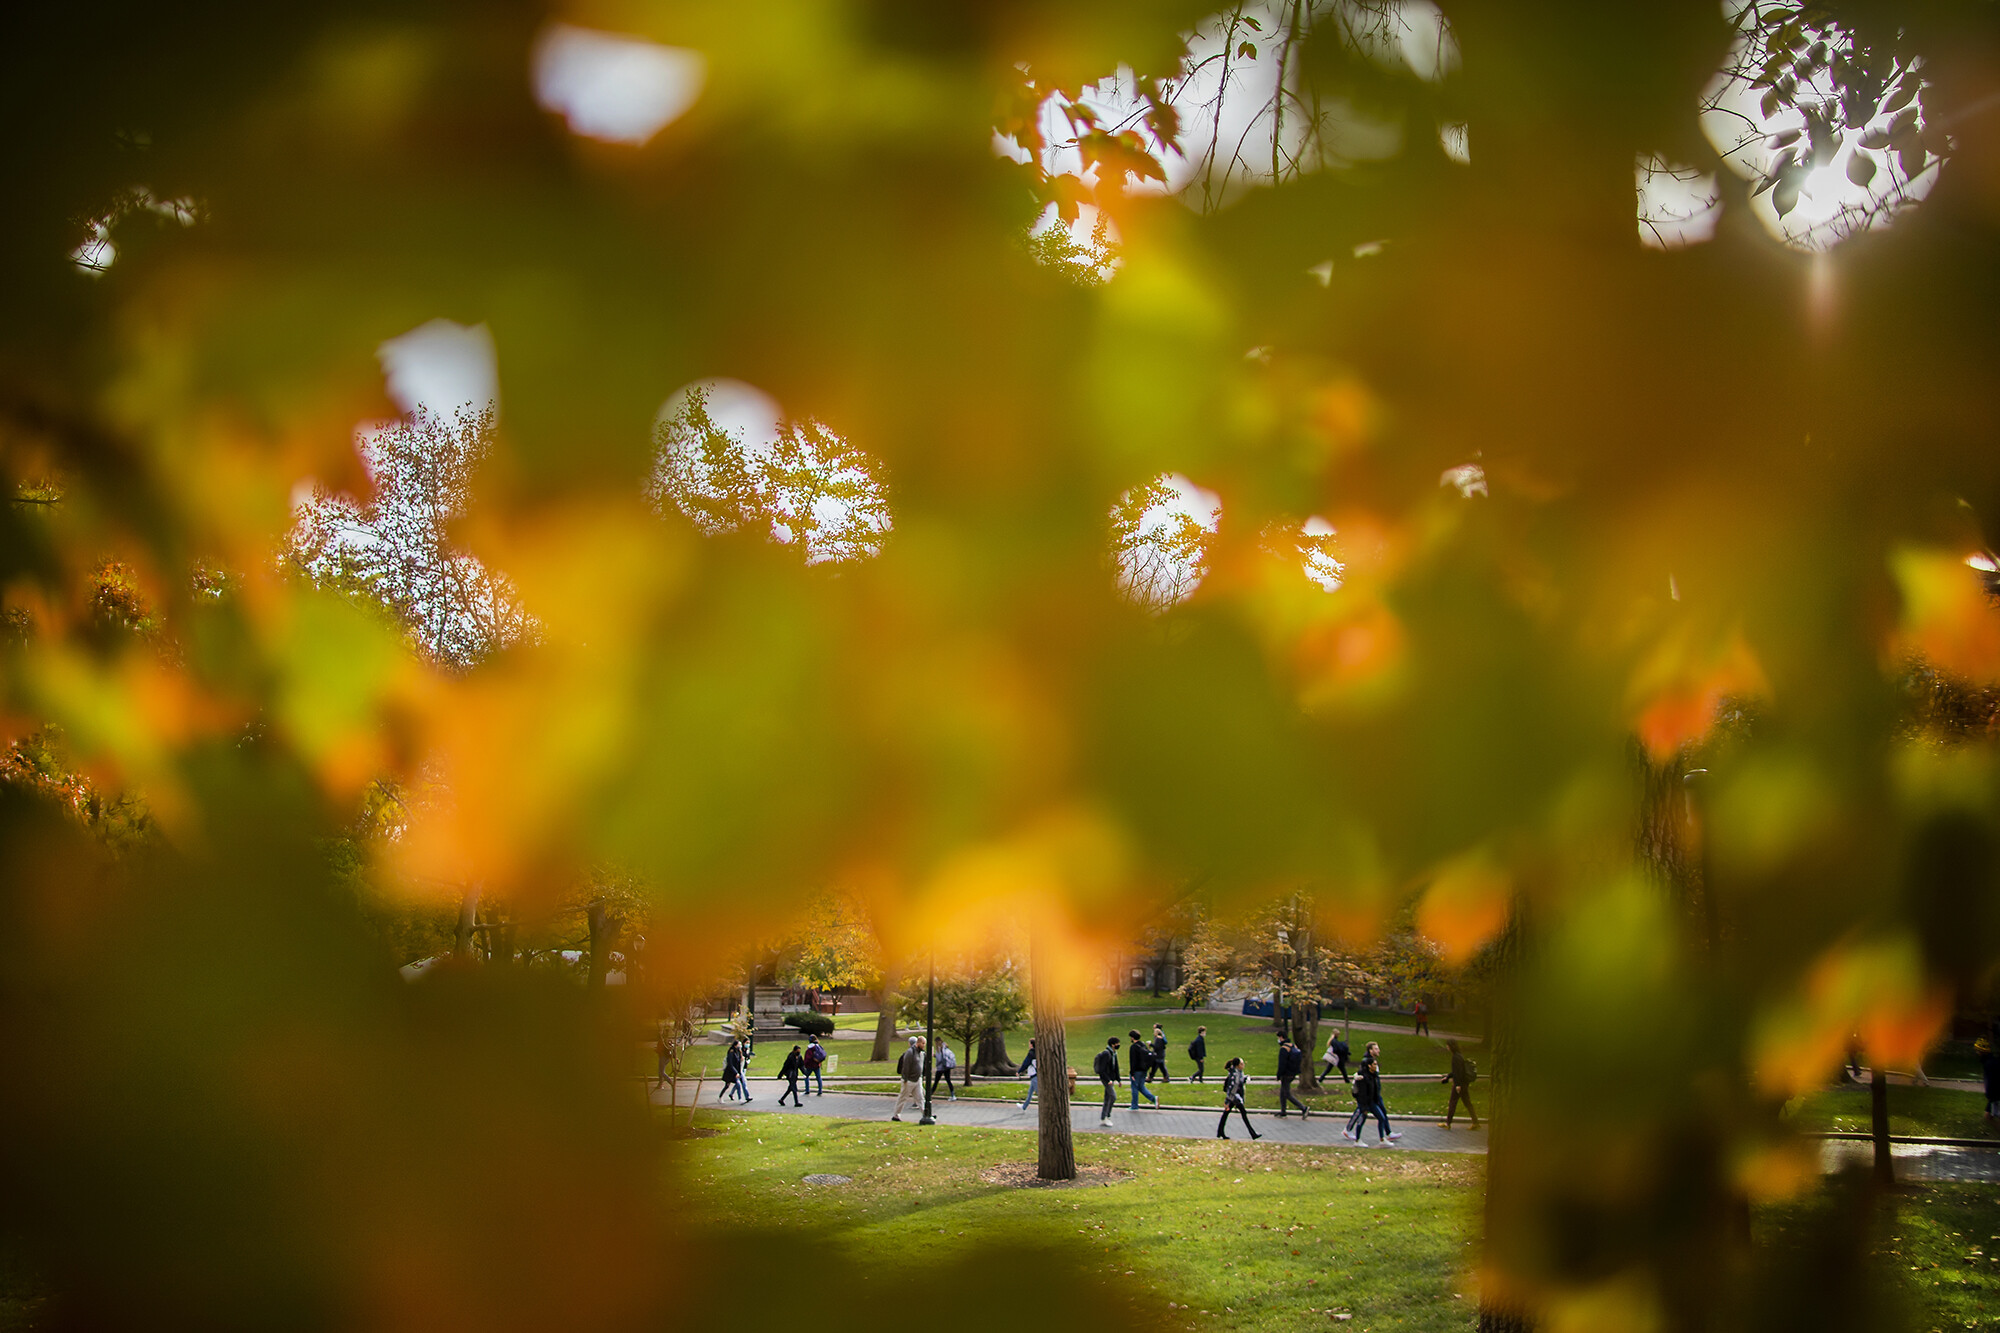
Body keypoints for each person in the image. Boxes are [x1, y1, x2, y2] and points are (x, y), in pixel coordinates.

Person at [1438, 1038, 1480, 1129]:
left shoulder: (1456, 1057)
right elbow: (1456, 1071)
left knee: (1453, 1102)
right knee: (1467, 1103)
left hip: (1460, 1084)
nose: (1447, 1047)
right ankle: (1475, 1122)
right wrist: (1448, 1077)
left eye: (1448, 1045)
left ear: (1451, 1047)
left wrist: (1458, 1085)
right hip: (1463, 1083)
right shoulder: (1459, 1056)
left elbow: (1458, 1073)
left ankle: (1448, 1123)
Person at [1216, 1057, 1261, 1140]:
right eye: (1241, 1063)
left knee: (1226, 1114)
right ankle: (1252, 1133)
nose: (1243, 1065)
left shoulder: (1237, 1072)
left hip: (1233, 1098)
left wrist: (1244, 1079)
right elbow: (1232, 1088)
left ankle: (1220, 1131)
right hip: (1234, 1098)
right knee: (1243, 1114)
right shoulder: (1235, 1075)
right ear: (1237, 1065)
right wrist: (1227, 1101)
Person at [891, 1036, 925, 1121]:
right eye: (923, 1043)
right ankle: (896, 1115)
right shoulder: (910, 1052)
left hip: (917, 1079)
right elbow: (906, 1067)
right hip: (909, 1080)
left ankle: (925, 1114)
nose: (924, 1045)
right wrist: (905, 1079)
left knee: (920, 1098)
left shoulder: (921, 1053)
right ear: (918, 1043)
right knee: (903, 1097)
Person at [1275, 1038, 1311, 1118]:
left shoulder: (1284, 1049)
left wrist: (1278, 1075)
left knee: (1286, 1093)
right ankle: (1283, 1111)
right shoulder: (1293, 1046)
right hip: (1293, 1072)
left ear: (1281, 1038)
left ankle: (1303, 1108)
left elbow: (1282, 1064)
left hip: (1286, 1074)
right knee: (1282, 1091)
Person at [1093, 1035, 1123, 1125]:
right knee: (1113, 1096)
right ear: (1113, 1044)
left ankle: (1104, 1118)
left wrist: (1119, 1079)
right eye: (1117, 1044)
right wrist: (1108, 1079)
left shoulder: (1114, 1054)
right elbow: (1102, 1069)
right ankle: (1107, 1116)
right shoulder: (1107, 1054)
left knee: (1107, 1098)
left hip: (1111, 1079)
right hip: (1106, 1079)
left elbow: (1116, 1067)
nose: (1119, 1045)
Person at [1128, 1029, 1160, 1109]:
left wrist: (1132, 1072)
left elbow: (1133, 1061)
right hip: (1144, 1069)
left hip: (1136, 1070)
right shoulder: (1142, 1045)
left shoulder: (1133, 1047)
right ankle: (1153, 1099)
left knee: (1134, 1087)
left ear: (1132, 1038)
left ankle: (1134, 1105)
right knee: (1141, 1086)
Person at [1979, 1036, 1999, 1120]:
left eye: (1978, 1051)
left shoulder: (1989, 1064)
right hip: (1995, 1096)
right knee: (1988, 1116)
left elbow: (1992, 1081)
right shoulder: (1992, 1062)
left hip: (1996, 1096)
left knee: (1989, 1116)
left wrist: (1990, 1095)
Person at [1018, 1039, 1039, 1110]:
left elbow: (1026, 1063)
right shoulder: (1038, 1052)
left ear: (1031, 1044)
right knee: (1030, 1092)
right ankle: (1024, 1106)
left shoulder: (1031, 1053)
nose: (1029, 1045)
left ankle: (1047, 1108)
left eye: (1029, 1044)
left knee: (1039, 1092)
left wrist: (1019, 1071)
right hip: (1037, 1074)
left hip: (1034, 1075)